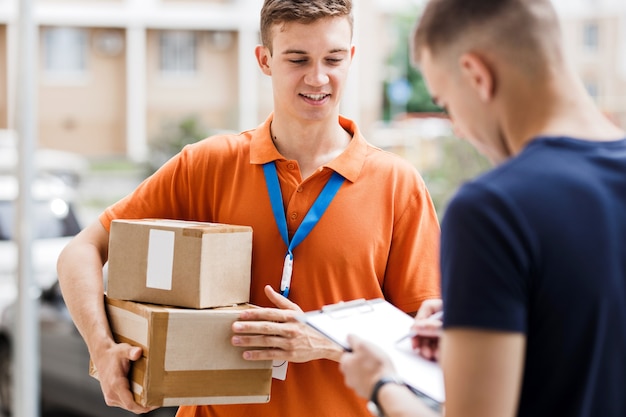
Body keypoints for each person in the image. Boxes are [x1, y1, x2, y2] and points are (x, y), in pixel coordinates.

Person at [56, 1, 442, 417]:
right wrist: (103, 348)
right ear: (265, 60)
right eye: (297, 59)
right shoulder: (207, 164)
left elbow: (421, 347)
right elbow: (80, 252)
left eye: (332, 58)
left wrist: (323, 343)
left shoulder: (398, 184)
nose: (318, 77)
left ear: (350, 57)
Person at [339, 0, 626, 416]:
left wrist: (381, 383)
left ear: (477, 76)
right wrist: (486, 323)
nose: (456, 127)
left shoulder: (493, 210)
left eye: (447, 104)